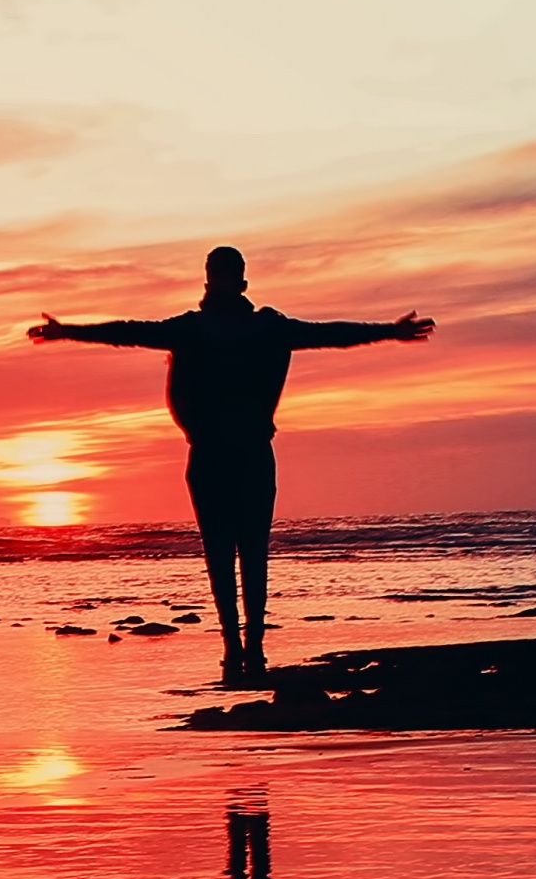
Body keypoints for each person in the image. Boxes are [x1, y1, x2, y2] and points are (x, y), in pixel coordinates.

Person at [29, 245, 434, 684]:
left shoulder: (233, 329)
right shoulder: (231, 329)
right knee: (233, 552)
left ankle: (245, 643)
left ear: (214, 282)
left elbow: (329, 334)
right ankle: (239, 642)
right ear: (239, 282)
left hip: (230, 453)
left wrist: (387, 332)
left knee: (239, 551)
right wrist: (69, 331)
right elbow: (130, 331)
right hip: (228, 453)